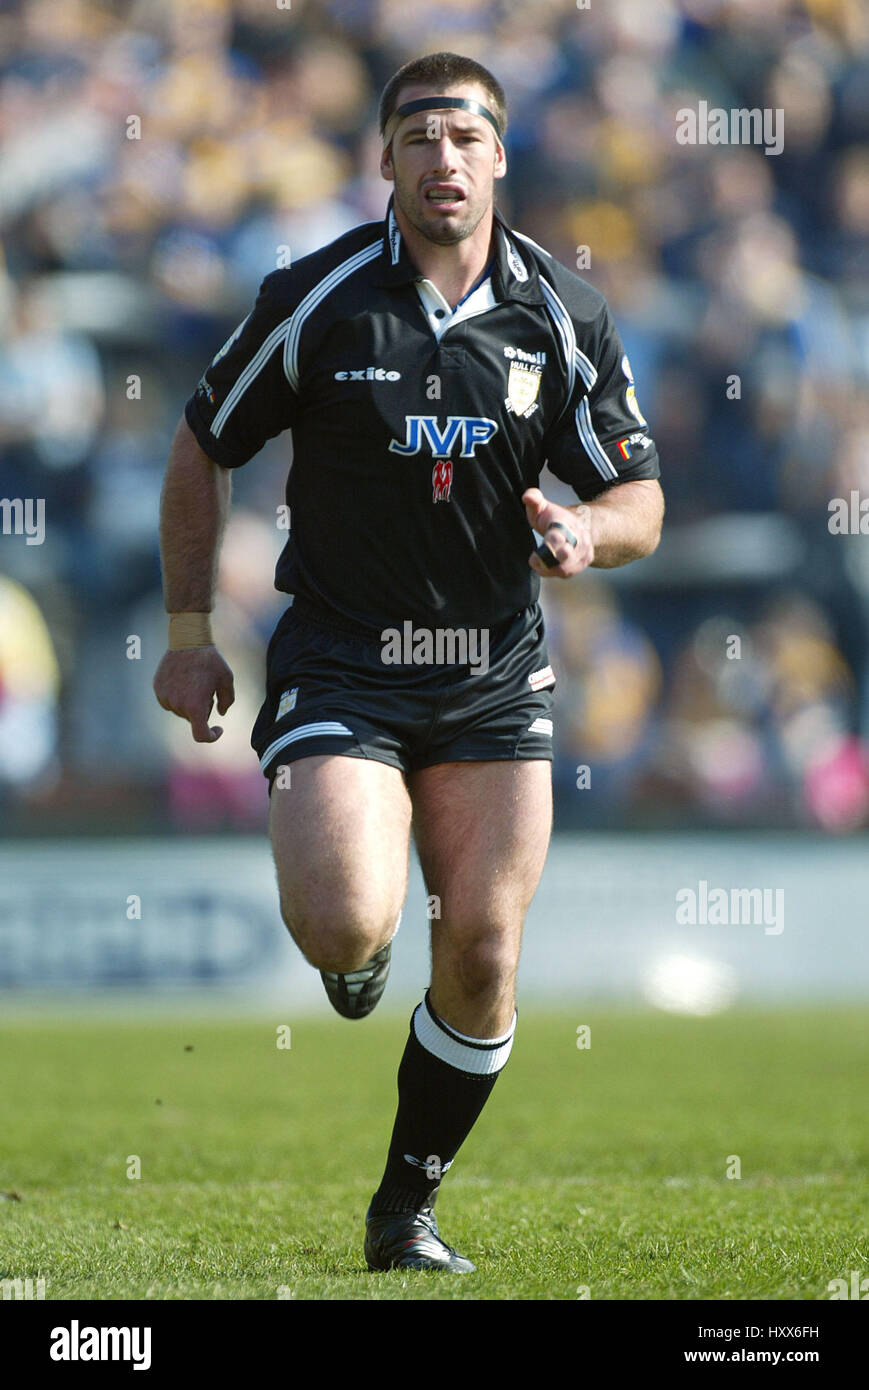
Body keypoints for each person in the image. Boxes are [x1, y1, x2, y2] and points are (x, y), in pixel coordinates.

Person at [153, 51, 664, 1274]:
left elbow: (641, 495)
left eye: (466, 137)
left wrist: (589, 528)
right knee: (342, 923)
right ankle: (362, 945)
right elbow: (200, 444)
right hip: (341, 664)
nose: (443, 159)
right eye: (418, 137)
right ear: (382, 158)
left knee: (484, 948)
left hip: (492, 673)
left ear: (501, 157)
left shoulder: (564, 312)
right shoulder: (313, 297)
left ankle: (403, 1214)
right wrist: (184, 638)